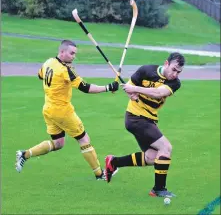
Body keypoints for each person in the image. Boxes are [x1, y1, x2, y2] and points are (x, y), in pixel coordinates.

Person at [15, 40, 119, 180]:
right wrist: (108, 87)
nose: (73, 56)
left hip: (48, 109)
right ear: (62, 52)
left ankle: (25, 154)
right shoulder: (65, 70)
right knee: (84, 139)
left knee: (58, 143)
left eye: (74, 54)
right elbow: (86, 88)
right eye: (71, 53)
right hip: (63, 112)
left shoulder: (49, 62)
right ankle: (100, 174)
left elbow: (40, 75)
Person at [105, 52, 185, 196]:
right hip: (135, 117)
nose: (175, 74)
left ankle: (114, 162)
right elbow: (129, 85)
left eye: (179, 72)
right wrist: (131, 93)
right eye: (173, 69)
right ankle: (158, 189)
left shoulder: (175, 83)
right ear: (166, 63)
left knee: (152, 157)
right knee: (166, 148)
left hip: (150, 119)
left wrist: (136, 90)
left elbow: (158, 93)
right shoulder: (146, 70)